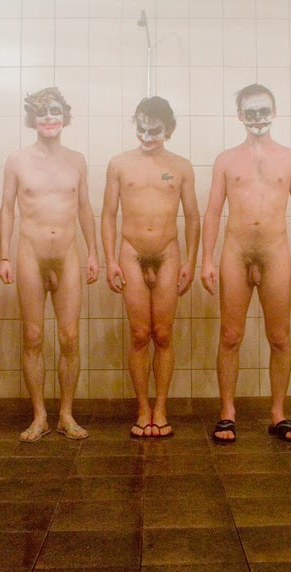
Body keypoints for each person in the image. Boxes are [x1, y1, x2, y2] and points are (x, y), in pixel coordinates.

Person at [201, 84, 291, 444]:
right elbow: (212, 211)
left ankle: (278, 413)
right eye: (250, 112)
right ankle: (227, 413)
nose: (258, 118)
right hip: (235, 252)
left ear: (274, 112)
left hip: (275, 253)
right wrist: (206, 259)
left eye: (264, 111)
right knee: (230, 335)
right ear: (240, 116)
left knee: (279, 337)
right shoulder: (226, 160)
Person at [0, 88, 99, 442]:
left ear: (65, 116)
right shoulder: (17, 160)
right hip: (31, 253)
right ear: (32, 119)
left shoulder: (77, 160)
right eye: (41, 112)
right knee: (33, 336)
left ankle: (66, 414)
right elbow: (6, 208)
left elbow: (84, 208)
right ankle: (40, 415)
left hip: (68, 254)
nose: (49, 117)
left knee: (70, 337)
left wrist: (93, 252)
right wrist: (4, 255)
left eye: (55, 111)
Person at [102, 96, 200, 438]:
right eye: (141, 128)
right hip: (131, 252)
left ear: (168, 129)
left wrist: (191, 261)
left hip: (168, 253)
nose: (146, 136)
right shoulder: (119, 164)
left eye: (154, 130)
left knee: (163, 334)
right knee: (140, 334)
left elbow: (193, 216)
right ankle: (143, 408)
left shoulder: (182, 166)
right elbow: (108, 215)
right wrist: (110, 260)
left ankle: (161, 408)